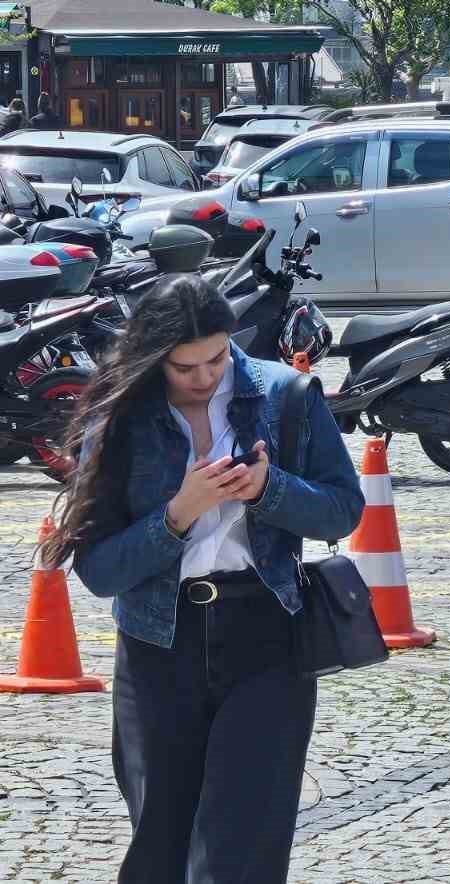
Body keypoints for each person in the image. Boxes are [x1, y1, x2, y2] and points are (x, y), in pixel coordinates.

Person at [40, 277, 363, 883]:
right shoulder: (119, 416)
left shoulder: (286, 394)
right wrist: (176, 516)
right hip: (157, 644)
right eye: (184, 367)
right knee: (160, 845)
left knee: (241, 851)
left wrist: (270, 489)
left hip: (268, 636)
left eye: (217, 358)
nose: (205, 377)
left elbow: (343, 510)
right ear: (153, 356)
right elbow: (101, 571)